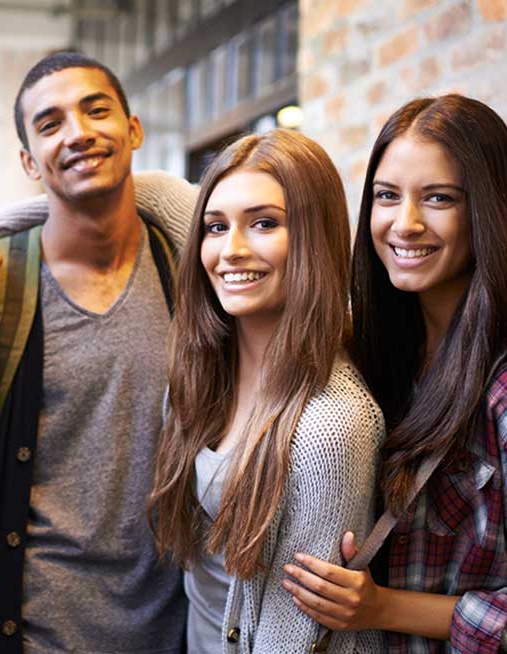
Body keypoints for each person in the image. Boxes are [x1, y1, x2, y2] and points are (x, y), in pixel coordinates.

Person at [281, 95, 507, 652]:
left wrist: (385, 608)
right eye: (387, 196)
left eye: (438, 198)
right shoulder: (381, 348)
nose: (405, 223)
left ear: (489, 210)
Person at [0, 52, 198, 654]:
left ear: (133, 130)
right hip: (36, 634)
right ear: (29, 161)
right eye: (51, 122)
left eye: (96, 110)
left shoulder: (189, 273)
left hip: (177, 631)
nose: (79, 133)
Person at [148, 129, 385, 653]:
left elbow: (294, 636)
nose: (231, 250)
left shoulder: (331, 426)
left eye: (263, 223)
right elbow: (138, 191)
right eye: (215, 226)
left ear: (314, 235)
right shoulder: (197, 378)